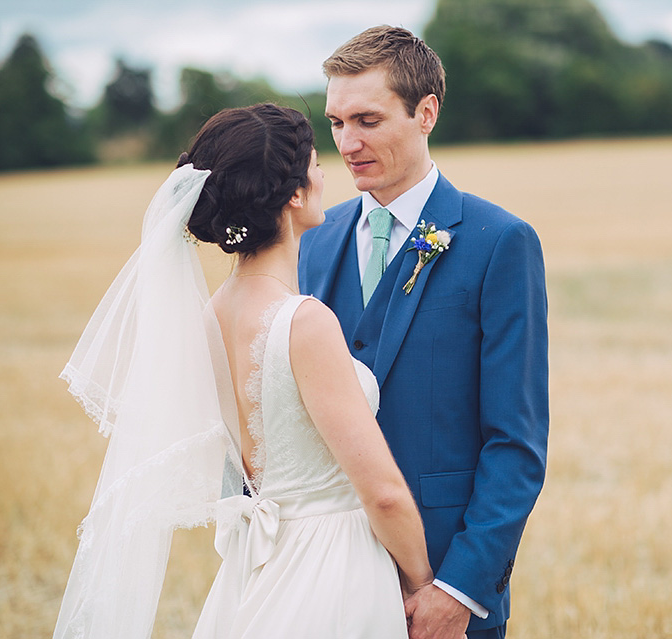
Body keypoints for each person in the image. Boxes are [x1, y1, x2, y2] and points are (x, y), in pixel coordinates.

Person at [53, 103, 432, 639]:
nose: (328, 172)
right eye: (316, 163)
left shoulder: (209, 318)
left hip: (256, 568)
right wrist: (421, 584)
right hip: (333, 568)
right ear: (295, 193)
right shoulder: (305, 321)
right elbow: (383, 493)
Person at [299, 26, 549, 639]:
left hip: (441, 589)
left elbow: (515, 442)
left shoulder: (500, 243)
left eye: (367, 120)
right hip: (322, 581)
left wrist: (459, 589)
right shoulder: (312, 237)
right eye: (335, 123)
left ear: (426, 113)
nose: (347, 143)